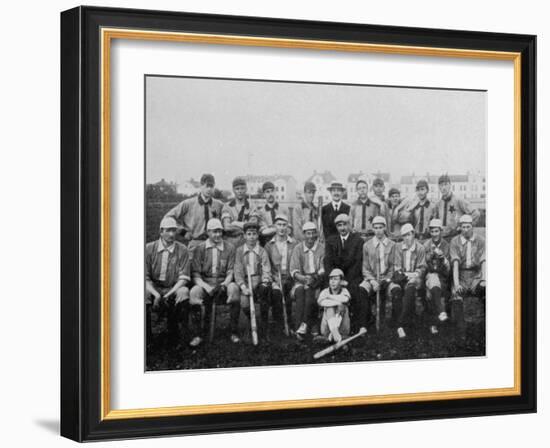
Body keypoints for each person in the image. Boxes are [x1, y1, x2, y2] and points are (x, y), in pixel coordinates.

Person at [189, 218, 241, 346]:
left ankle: (233, 332)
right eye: (214, 232)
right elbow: (195, 273)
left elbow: (230, 271)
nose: (217, 235)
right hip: (205, 283)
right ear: (208, 232)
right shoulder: (200, 248)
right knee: (194, 292)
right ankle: (197, 334)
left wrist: (224, 284)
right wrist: (205, 286)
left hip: (223, 283)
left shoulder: (229, 248)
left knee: (234, 289)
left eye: (219, 231)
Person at [145, 217, 191, 345]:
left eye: (174, 231)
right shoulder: (149, 248)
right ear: (161, 231)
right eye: (168, 231)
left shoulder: (182, 250)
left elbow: (184, 277)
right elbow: (144, 277)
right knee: (143, 293)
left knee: (184, 292)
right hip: (154, 287)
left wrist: (167, 294)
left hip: (173, 286)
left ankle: (176, 336)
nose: (172, 234)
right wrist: (156, 294)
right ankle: (146, 338)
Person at [163, 173, 223, 257]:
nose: (209, 189)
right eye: (207, 186)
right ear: (201, 186)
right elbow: (167, 218)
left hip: (215, 243)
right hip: (195, 243)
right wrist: (183, 232)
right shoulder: (188, 203)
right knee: (193, 268)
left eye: (211, 186)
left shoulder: (219, 204)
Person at [324, 213, 366, 331]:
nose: (342, 228)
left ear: (350, 225)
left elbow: (358, 263)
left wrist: (346, 281)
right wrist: (336, 279)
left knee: (356, 291)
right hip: (335, 279)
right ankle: (330, 326)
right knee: (329, 292)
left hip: (352, 277)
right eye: (339, 225)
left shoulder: (358, 241)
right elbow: (328, 262)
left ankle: (355, 325)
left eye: (345, 224)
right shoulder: (331, 241)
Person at [359, 216, 400, 331]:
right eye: (375, 228)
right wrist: (372, 280)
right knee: (362, 290)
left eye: (380, 227)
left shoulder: (392, 245)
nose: (378, 231)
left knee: (396, 290)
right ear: (372, 229)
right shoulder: (367, 245)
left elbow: (393, 267)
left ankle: (395, 324)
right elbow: (365, 268)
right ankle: (364, 323)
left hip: (386, 278)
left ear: (385, 228)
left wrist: (385, 280)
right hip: (371, 278)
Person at [234, 221, 272, 341]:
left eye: (254, 234)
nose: (251, 237)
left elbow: (266, 269)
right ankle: (252, 322)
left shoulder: (262, 251)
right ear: (244, 235)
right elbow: (238, 271)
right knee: (245, 303)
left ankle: (264, 327)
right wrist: (243, 287)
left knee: (265, 296)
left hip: (259, 281)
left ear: (257, 236)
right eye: (249, 234)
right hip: (246, 282)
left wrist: (265, 281)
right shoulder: (239, 251)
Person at [449, 214, 486, 331]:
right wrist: (456, 283)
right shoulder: (455, 241)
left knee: (486, 290)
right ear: (460, 227)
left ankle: (484, 327)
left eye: (468, 227)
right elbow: (455, 263)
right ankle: (460, 329)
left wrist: (484, 279)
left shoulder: (480, 240)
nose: (465, 230)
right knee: (456, 295)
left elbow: (484, 261)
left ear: (472, 226)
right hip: (462, 274)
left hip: (476, 274)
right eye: (463, 227)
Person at [289, 222, 325, 340]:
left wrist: (312, 278)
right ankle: (308, 325)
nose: (310, 236)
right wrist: (303, 279)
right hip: (301, 279)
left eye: (313, 233)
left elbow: (322, 268)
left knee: (310, 291)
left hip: (316, 279)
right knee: (300, 291)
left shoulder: (321, 248)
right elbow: (294, 269)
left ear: (316, 234)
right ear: (304, 234)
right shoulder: (298, 248)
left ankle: (303, 326)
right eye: (308, 233)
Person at [391, 223, 427, 338]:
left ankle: (400, 323)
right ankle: (403, 322)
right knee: (396, 290)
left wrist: (412, 275)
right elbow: (397, 267)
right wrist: (404, 275)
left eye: (409, 235)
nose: (407, 238)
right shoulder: (398, 247)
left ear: (413, 234)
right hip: (401, 278)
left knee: (411, 287)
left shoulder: (420, 248)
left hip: (414, 278)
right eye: (404, 236)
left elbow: (421, 268)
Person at [264, 214, 297, 335]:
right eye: (279, 225)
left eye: (284, 225)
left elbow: (296, 264)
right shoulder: (269, 245)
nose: (282, 228)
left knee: (287, 290)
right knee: (276, 293)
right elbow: (266, 266)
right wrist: (273, 280)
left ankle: (289, 323)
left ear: (288, 227)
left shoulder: (294, 243)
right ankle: (279, 324)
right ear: (275, 226)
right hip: (275, 278)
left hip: (290, 278)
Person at [423, 219, 451, 334]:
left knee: (435, 290)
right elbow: (423, 265)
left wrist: (443, 258)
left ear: (441, 231)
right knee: (431, 287)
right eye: (432, 231)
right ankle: (440, 313)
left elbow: (448, 268)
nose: (434, 234)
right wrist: (428, 259)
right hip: (429, 275)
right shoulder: (426, 245)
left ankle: (435, 322)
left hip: (443, 276)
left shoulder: (446, 245)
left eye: (436, 231)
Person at [435, 174, 480, 240]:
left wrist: (465, 228)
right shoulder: (438, 204)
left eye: (445, 184)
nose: (443, 188)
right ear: (439, 187)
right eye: (441, 185)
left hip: (456, 237)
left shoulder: (458, 200)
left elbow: (476, 213)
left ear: (450, 185)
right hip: (442, 239)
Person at [317, 269, 351, 344]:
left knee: (342, 306)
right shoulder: (325, 291)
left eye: (335, 279)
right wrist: (337, 303)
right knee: (329, 307)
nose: (332, 282)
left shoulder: (344, 291)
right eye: (331, 279)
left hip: (343, 329)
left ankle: (334, 334)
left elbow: (345, 299)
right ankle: (335, 333)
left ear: (341, 282)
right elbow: (321, 302)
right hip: (327, 329)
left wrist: (329, 296)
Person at [221, 177, 252, 248]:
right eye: (237, 189)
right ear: (233, 190)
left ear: (246, 189)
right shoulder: (227, 206)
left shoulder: (252, 206)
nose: (240, 191)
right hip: (230, 241)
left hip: (247, 242)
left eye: (242, 188)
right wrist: (244, 227)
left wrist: (235, 223)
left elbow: (253, 225)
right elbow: (227, 227)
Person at [256, 181, 289, 246]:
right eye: (267, 192)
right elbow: (263, 232)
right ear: (264, 194)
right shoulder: (260, 212)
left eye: (272, 191)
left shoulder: (284, 209)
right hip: (266, 243)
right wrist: (280, 228)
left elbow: (289, 229)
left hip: (283, 243)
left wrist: (271, 228)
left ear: (275, 192)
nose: (270, 194)